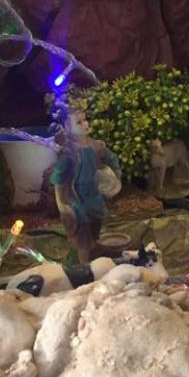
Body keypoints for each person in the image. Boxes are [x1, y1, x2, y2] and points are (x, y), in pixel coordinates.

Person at [51, 107, 122, 263]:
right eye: (79, 122)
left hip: (93, 195)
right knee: (83, 237)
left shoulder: (95, 145)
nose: (85, 124)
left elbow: (111, 158)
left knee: (95, 227)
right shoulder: (69, 153)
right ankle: (83, 266)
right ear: (68, 128)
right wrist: (62, 203)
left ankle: (93, 257)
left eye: (85, 120)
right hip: (77, 198)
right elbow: (59, 179)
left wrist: (115, 176)